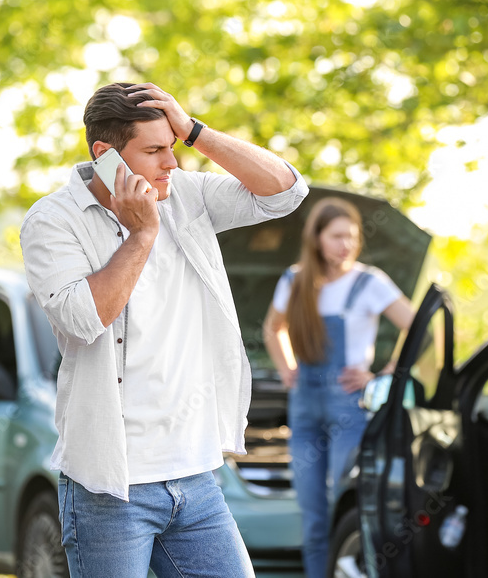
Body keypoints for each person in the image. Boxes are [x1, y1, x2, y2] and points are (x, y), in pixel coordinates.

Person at [20, 82, 308, 578]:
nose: (170, 163)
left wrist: (195, 131)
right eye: (154, 151)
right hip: (110, 486)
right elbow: (86, 317)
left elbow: (285, 193)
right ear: (105, 155)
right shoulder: (52, 220)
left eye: (171, 147)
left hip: (195, 478)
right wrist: (143, 234)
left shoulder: (187, 195)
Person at [263, 197, 415, 578]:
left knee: (343, 507)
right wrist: (287, 369)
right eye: (337, 236)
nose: (346, 244)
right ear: (317, 239)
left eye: (352, 236)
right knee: (312, 513)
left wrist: (383, 375)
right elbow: (272, 328)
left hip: (350, 409)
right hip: (305, 407)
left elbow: (417, 326)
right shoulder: (295, 279)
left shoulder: (369, 282)